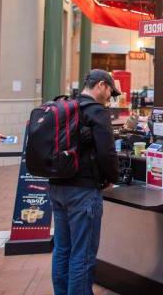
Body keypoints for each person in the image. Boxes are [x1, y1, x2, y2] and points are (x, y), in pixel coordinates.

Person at [49, 69, 121, 295]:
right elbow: (107, 153)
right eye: (111, 91)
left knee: (62, 249)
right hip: (83, 191)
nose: (110, 97)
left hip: (57, 186)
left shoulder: (65, 107)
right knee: (83, 254)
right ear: (101, 85)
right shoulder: (97, 112)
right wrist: (112, 178)